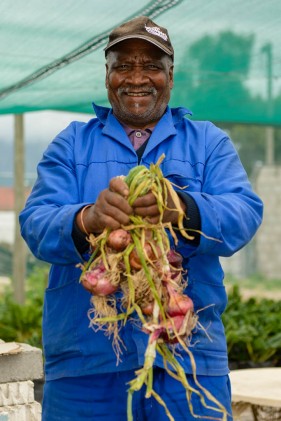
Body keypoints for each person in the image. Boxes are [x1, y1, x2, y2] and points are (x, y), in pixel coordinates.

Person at [20, 16, 263, 421]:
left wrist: (183, 208)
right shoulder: (72, 144)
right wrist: (87, 219)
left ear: (171, 75)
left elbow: (244, 212)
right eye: (123, 66)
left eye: (151, 66)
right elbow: (36, 222)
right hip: (86, 363)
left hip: (188, 357)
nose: (137, 78)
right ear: (107, 76)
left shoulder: (208, 142)